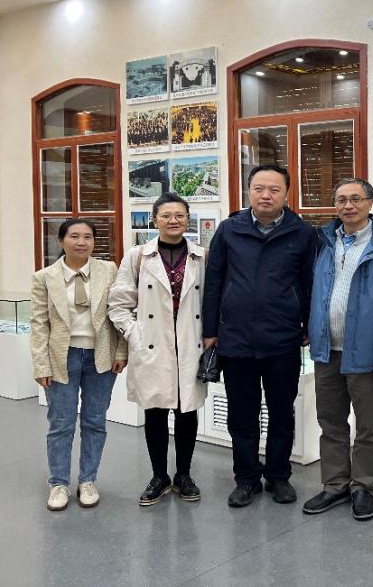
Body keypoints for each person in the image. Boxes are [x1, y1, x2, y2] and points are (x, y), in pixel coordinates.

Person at [202, 164, 317, 508]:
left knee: (282, 411)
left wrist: (309, 325)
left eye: (274, 189)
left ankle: (279, 476)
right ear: (249, 191)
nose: (266, 195)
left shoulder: (302, 233)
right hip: (235, 339)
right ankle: (247, 478)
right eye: (259, 189)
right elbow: (214, 279)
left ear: (286, 193)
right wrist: (210, 330)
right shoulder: (229, 229)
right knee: (242, 414)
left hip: (283, 339)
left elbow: (310, 283)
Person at [303, 178, 373, 521]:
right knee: (330, 422)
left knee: (368, 426)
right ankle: (335, 485)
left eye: (355, 199)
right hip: (327, 351)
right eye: (341, 200)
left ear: (369, 203)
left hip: (368, 355)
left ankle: (363, 486)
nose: (348, 206)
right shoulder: (323, 241)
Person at [108, 191, 207, 507]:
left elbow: (212, 300)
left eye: (179, 215)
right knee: (155, 411)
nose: (173, 220)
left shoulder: (202, 256)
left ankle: (184, 475)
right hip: (152, 344)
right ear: (155, 220)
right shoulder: (138, 256)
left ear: (188, 220)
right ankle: (159, 476)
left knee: (187, 411)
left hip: (189, 344)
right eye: (166, 216)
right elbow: (118, 303)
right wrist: (135, 335)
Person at [30, 218, 127, 511]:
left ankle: (88, 481)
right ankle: (58, 483)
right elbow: (39, 324)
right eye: (74, 236)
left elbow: (121, 311)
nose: (81, 242)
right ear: (61, 241)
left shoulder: (108, 270)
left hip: (101, 356)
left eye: (87, 237)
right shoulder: (44, 277)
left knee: (95, 421)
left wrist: (121, 351)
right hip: (63, 357)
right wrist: (41, 364)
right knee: (61, 423)